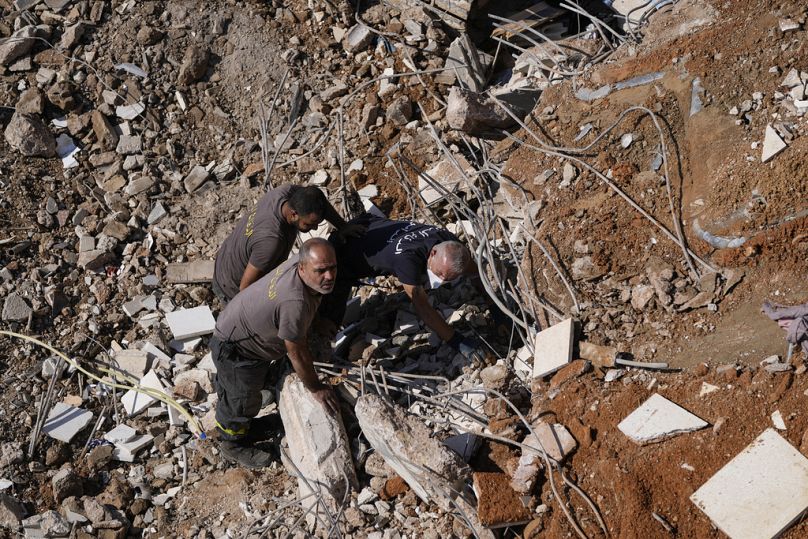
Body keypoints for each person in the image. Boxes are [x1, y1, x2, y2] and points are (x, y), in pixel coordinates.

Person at [211, 238, 341, 469]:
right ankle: (232, 443)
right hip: (236, 349)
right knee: (241, 401)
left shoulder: (301, 268)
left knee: (247, 390)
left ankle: (252, 410)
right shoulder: (294, 301)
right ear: (302, 267)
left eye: (333, 268)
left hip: (248, 337)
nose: (329, 276)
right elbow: (296, 351)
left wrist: (317, 321)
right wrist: (315, 387)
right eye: (321, 270)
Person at [319, 214, 485, 362]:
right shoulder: (407, 259)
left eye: (448, 278)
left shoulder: (449, 241)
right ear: (433, 253)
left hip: (373, 226)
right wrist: (457, 341)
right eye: (440, 274)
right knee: (328, 319)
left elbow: (475, 273)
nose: (441, 280)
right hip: (344, 254)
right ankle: (321, 359)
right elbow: (423, 308)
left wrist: (494, 306)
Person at [212, 183, 363, 303]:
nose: (316, 227)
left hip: (228, 257)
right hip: (231, 287)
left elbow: (318, 200)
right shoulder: (272, 241)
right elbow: (245, 288)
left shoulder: (287, 192)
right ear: (294, 214)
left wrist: (343, 226)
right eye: (309, 224)